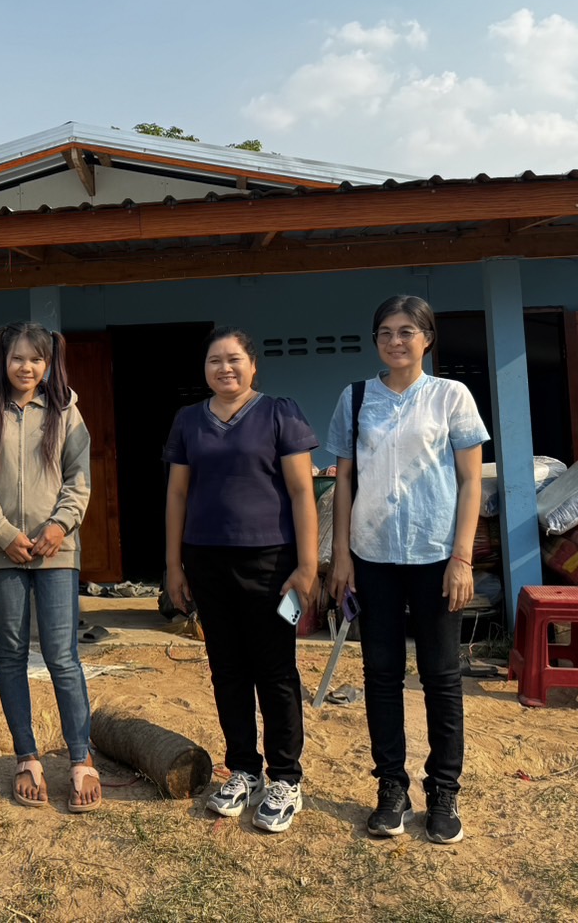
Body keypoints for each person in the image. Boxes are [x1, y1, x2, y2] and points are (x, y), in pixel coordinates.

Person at [325, 295, 487, 845]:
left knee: (442, 677)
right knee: (381, 675)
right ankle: (391, 787)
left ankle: (443, 791)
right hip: (373, 557)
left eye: (408, 331)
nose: (396, 340)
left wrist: (463, 557)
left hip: (437, 555)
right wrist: (341, 554)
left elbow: (471, 482)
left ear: (427, 338)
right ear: (376, 341)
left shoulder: (450, 397)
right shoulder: (356, 398)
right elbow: (343, 481)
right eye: (386, 332)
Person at [163, 327, 321, 834]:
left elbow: (302, 493)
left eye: (234, 359)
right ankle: (244, 770)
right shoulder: (189, 421)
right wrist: (173, 566)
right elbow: (177, 497)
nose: (224, 368)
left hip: (271, 563)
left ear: (253, 365)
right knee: (226, 669)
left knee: (275, 671)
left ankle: (285, 778)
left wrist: (307, 563)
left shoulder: (280, 412)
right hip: (207, 563)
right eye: (214, 361)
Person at [0, 322, 99, 812]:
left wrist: (59, 527)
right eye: (18, 358)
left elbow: (80, 477)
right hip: (2, 552)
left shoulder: (65, 411)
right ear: (3, 360)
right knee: (12, 653)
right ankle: (27, 756)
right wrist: (3, 534)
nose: (26, 367)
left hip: (57, 550)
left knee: (63, 656)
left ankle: (80, 759)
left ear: (48, 364)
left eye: (35, 359)